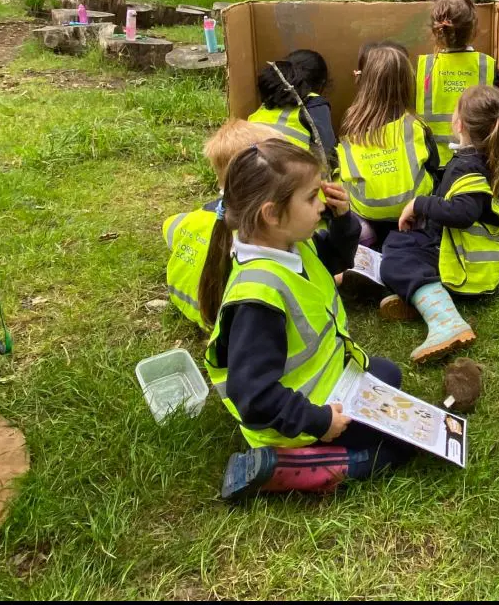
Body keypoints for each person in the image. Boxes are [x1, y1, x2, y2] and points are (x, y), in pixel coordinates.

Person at [200, 140, 416, 499]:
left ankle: (319, 447)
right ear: (272, 214)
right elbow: (253, 394)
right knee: (399, 447)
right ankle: (291, 466)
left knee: (388, 374)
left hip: (327, 387)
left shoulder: (288, 244)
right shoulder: (258, 299)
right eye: (312, 197)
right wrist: (320, 422)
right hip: (295, 421)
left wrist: (343, 220)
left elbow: (332, 259)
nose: (321, 204)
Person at [379, 86, 499, 364]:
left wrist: (420, 204)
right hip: (457, 246)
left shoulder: (468, 166)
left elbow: (463, 212)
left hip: (459, 258)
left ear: (459, 124)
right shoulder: (489, 157)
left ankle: (446, 320)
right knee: (398, 241)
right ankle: (421, 297)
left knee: (396, 260)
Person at [162, 119, 278, 331]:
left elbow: (169, 227)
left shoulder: (195, 219)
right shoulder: (262, 234)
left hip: (186, 303)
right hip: (228, 322)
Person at [336, 43, 439, 252]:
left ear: (365, 81)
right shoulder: (415, 125)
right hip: (411, 208)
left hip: (367, 209)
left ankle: (365, 234)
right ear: (407, 83)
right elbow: (434, 165)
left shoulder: (349, 124)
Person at [415, 0, 499, 166]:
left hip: (431, 159)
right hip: (477, 159)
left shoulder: (423, 67)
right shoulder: (487, 65)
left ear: (435, 31)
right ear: (474, 29)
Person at [249, 50, 336, 170]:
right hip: (288, 174)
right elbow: (328, 152)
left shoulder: (270, 99)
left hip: (251, 169)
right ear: (321, 83)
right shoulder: (314, 103)